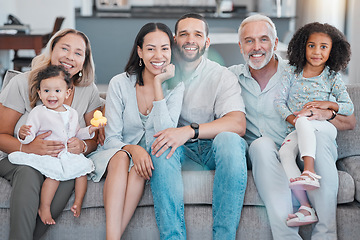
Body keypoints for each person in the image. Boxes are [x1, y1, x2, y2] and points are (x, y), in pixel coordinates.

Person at [228, 14, 356, 239]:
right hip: (265, 156)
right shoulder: (230, 78)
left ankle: (325, 235)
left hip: (303, 148)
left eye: (264, 39)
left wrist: (324, 113)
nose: (257, 47)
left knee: (323, 138)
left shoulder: (299, 71)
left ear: (276, 43)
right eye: (249, 40)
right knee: (260, 145)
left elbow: (349, 121)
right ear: (240, 46)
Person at [150, 13, 247, 240]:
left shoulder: (221, 75)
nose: (190, 40)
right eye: (183, 34)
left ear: (207, 42)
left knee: (230, 139)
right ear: (174, 40)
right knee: (160, 146)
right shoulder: (160, 73)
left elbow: (237, 123)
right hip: (182, 152)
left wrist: (189, 130)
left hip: (215, 148)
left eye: (197, 35)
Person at [0, 28, 102, 240]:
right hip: (18, 158)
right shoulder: (22, 83)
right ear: (51, 50)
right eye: (64, 48)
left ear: (84, 61)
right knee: (28, 173)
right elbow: (1, 134)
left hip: (61, 160)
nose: (69, 57)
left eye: (78, 53)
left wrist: (83, 147)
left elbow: (93, 138)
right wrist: (28, 147)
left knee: (68, 176)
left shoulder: (88, 90)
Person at [88, 22, 184, 239]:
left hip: (147, 162)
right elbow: (111, 138)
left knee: (141, 169)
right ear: (140, 51)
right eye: (151, 49)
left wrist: (159, 83)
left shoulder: (176, 87)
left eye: (165, 48)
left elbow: (165, 133)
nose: (158, 55)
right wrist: (134, 149)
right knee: (124, 158)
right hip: (116, 154)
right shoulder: (119, 84)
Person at [273, 22, 353, 227]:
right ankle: (305, 207)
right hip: (298, 126)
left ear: (332, 50)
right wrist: (294, 119)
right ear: (302, 46)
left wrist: (326, 105)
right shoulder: (291, 72)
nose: (317, 51)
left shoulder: (332, 77)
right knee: (284, 153)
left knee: (305, 122)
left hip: (323, 126)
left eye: (324, 47)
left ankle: (309, 171)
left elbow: (348, 107)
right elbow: (279, 102)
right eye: (311, 45)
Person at [8, 65, 105, 225]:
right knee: (53, 178)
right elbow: (30, 136)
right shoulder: (39, 112)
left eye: (57, 91)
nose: (52, 95)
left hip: (67, 154)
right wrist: (23, 134)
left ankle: (78, 202)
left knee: (82, 173)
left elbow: (77, 133)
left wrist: (90, 130)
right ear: (39, 93)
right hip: (50, 154)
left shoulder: (71, 113)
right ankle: (44, 207)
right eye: (46, 91)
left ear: (67, 93)